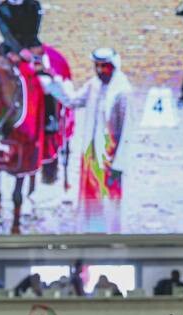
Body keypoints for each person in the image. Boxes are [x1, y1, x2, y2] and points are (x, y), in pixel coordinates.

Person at [44, 48, 132, 232]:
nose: (100, 71)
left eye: (104, 67)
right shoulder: (93, 85)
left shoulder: (122, 92)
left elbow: (127, 133)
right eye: (97, 66)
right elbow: (72, 101)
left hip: (110, 159)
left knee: (108, 199)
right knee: (90, 197)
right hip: (91, 153)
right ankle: (91, 232)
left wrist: (119, 164)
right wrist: (53, 81)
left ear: (113, 67)